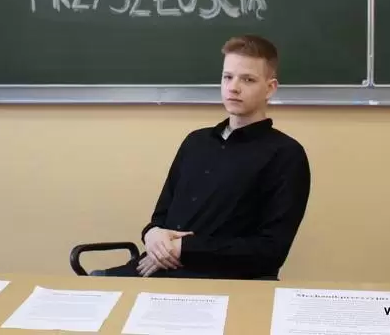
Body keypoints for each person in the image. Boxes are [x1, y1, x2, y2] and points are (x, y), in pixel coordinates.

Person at [99, 34, 311, 279]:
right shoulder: (195, 142)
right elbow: (161, 218)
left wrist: (183, 249)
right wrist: (152, 234)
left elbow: (270, 251)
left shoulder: (286, 155)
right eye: (227, 77)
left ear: (270, 88)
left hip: (219, 281)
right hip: (154, 269)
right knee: (90, 287)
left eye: (248, 79)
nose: (233, 87)